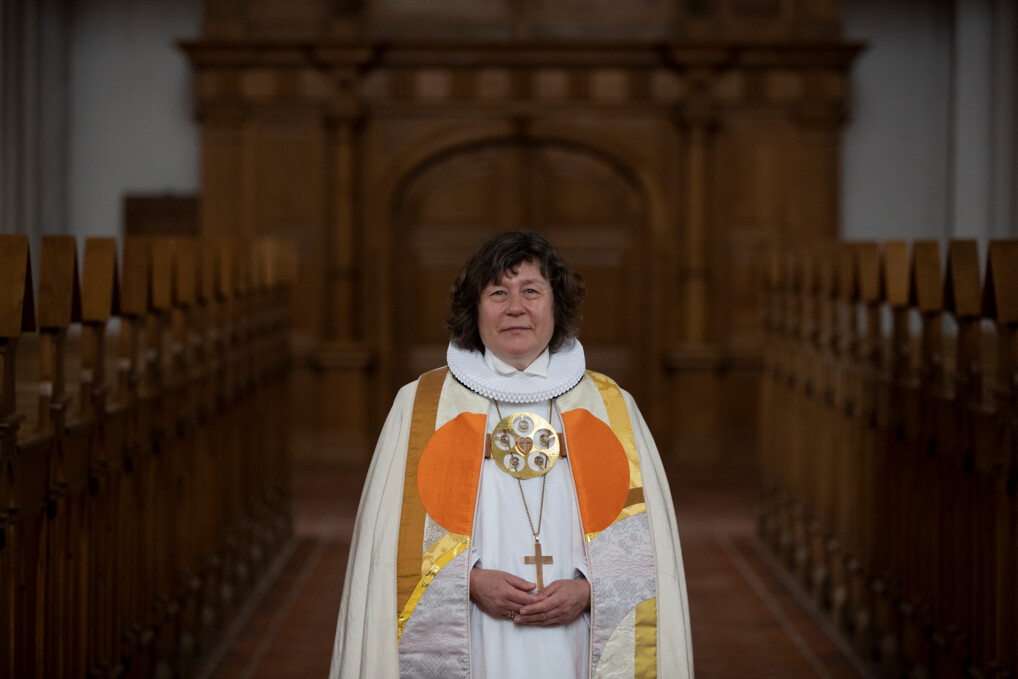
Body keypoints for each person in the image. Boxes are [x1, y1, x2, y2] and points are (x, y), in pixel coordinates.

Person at [329, 231, 693, 678]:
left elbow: (644, 547)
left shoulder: (610, 406)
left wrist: (589, 590)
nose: (516, 308)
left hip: (579, 637)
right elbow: (389, 547)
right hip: (471, 632)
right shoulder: (421, 406)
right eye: (498, 293)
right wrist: (468, 581)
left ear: (556, 304)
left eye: (532, 291)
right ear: (474, 307)